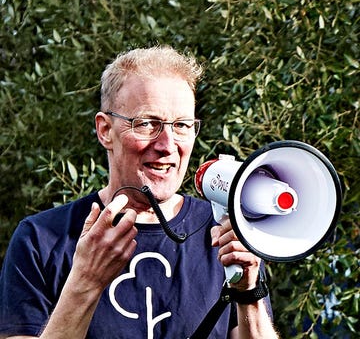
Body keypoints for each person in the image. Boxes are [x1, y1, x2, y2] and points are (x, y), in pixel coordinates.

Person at [0, 46, 279, 338]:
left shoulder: (224, 234)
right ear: (105, 130)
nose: (168, 145)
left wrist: (249, 293)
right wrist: (85, 279)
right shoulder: (41, 239)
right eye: (147, 124)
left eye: (182, 125)